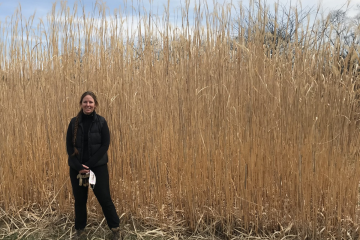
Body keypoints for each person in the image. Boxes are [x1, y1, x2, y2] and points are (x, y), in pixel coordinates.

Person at [66, 91, 121, 240]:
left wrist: (88, 165)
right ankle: (80, 231)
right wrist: (78, 166)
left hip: (97, 168)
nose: (88, 105)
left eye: (90, 102)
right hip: (77, 169)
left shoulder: (101, 122)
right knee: (80, 200)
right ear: (81, 104)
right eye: (85, 102)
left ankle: (116, 229)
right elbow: (69, 148)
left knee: (104, 198)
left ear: (95, 104)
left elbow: (104, 145)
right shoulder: (73, 123)